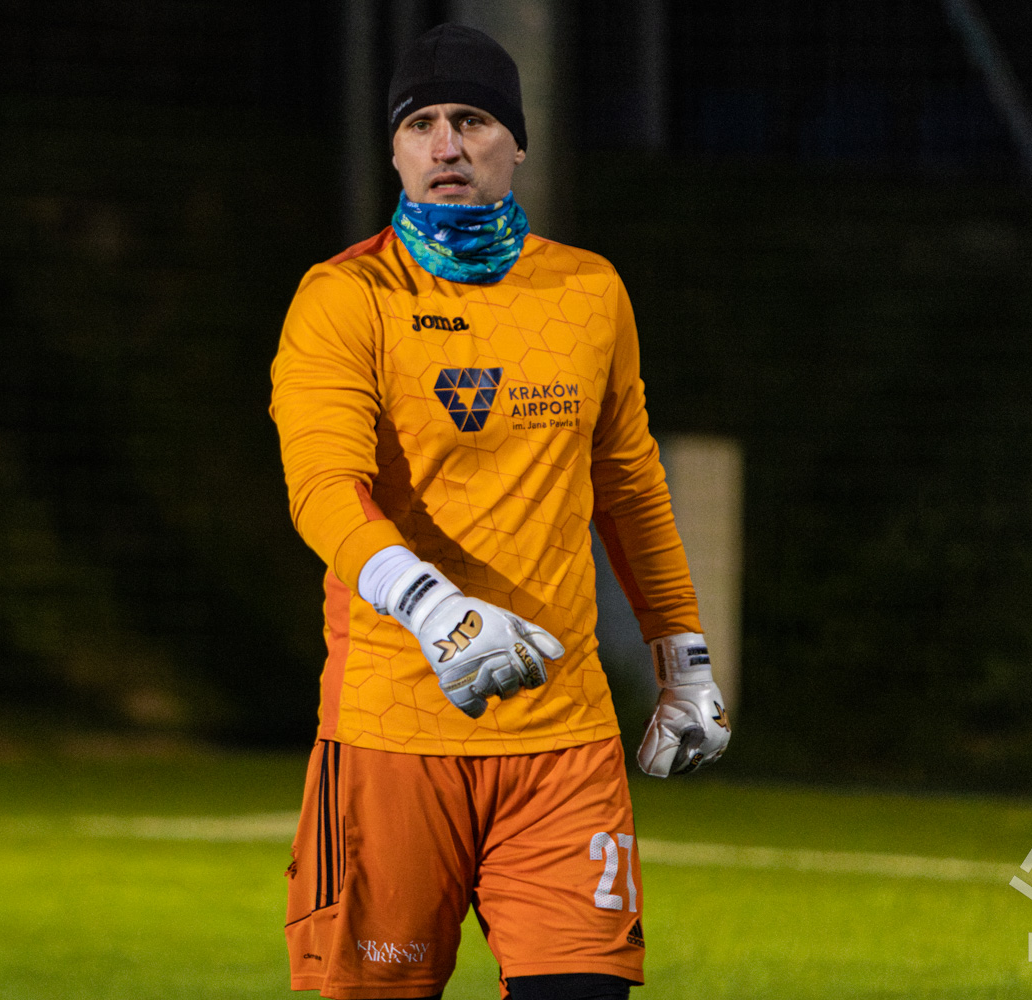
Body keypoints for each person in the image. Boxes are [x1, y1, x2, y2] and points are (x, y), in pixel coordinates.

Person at [270, 23, 731, 1000]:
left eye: (473, 120)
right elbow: (323, 488)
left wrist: (683, 656)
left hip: (564, 742)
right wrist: (436, 609)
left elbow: (630, 485)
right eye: (422, 124)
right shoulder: (345, 297)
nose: (447, 144)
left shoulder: (589, 291)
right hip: (392, 737)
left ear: (516, 142)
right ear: (395, 150)